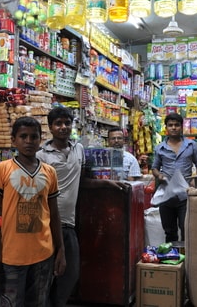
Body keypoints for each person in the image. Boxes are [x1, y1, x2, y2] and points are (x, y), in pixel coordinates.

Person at [36, 106, 128, 307]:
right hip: (46, 221)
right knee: (45, 273)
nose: (63, 127)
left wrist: (108, 183)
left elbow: (83, 181)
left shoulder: (78, 150)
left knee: (70, 272)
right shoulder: (41, 155)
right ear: (50, 127)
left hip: (68, 221)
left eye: (67, 123)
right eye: (58, 123)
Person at [0, 116, 66, 306]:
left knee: (39, 302)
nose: (29, 141)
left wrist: (60, 249)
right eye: (23, 136)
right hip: (11, 257)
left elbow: (54, 214)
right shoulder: (2, 169)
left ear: (40, 140)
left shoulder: (49, 172)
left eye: (34, 137)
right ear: (14, 140)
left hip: (44, 254)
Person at [152, 112, 197, 243]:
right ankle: (172, 258)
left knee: (186, 228)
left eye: (176, 125)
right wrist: (159, 175)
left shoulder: (191, 145)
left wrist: (195, 177)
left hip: (185, 194)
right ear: (166, 127)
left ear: (181, 127)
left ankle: (187, 259)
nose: (173, 128)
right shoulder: (160, 148)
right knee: (169, 231)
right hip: (166, 195)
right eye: (170, 125)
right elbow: (154, 167)